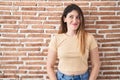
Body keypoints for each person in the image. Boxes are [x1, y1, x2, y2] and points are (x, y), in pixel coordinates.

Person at [47, 4, 101, 80]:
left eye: (78, 17)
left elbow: (96, 64)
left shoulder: (89, 38)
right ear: (64, 19)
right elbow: (49, 66)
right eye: (71, 17)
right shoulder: (56, 39)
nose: (75, 20)